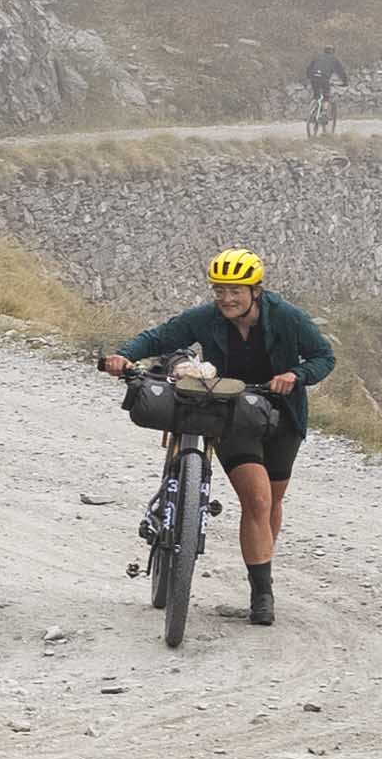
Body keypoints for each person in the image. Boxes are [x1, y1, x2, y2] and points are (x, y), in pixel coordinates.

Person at [98, 249, 334, 622]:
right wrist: (123, 356)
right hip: (231, 414)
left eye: (235, 291)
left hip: (281, 417)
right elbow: (159, 336)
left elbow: (324, 356)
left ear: (255, 291)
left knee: (271, 503)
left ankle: (260, 575)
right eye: (219, 290)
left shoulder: (286, 317)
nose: (226, 299)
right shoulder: (207, 318)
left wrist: (296, 376)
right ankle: (263, 597)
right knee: (256, 500)